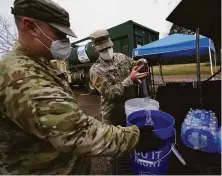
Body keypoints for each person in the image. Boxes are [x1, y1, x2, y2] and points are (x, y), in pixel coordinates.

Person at [0, 0, 164, 175]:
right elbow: (79, 131)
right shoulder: (22, 76)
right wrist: (137, 138)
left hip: (74, 158)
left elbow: (131, 64)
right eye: (59, 33)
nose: (65, 41)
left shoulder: (41, 64)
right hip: (50, 168)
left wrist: (139, 63)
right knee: (115, 159)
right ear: (31, 26)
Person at [89, 29, 148, 127]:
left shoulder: (121, 57)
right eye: (103, 49)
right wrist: (129, 79)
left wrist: (139, 63)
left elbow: (132, 64)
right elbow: (109, 93)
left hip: (129, 107)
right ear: (95, 49)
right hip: (112, 116)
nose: (107, 51)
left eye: (109, 47)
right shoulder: (95, 71)